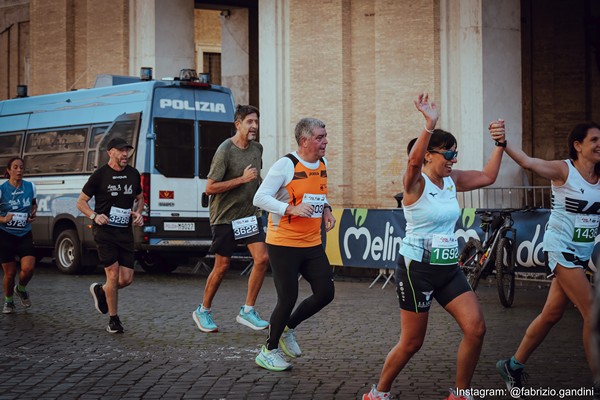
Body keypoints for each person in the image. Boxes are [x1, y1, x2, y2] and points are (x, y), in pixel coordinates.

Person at [363, 93, 506, 400]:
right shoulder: (415, 184)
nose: (453, 159)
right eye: (448, 154)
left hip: (448, 270)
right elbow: (413, 161)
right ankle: (378, 393)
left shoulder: (452, 181)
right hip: (418, 271)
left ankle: (460, 393)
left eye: (456, 154)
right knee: (413, 342)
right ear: (429, 154)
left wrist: (500, 144)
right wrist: (429, 124)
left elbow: (488, 175)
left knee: (476, 328)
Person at [496, 122, 600, 399]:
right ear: (578, 145)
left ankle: (512, 366)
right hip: (559, 249)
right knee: (592, 310)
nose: (599, 144)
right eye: (594, 140)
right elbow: (529, 162)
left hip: (580, 255)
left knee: (551, 314)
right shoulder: (564, 170)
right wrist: (503, 143)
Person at [253, 117, 336, 372]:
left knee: (326, 293)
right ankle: (268, 350)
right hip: (283, 243)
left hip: (311, 243)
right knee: (287, 297)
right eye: (320, 137)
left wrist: (326, 210)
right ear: (304, 141)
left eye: (325, 136)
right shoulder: (285, 165)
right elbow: (260, 198)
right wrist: (291, 208)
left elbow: (319, 193)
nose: (325, 141)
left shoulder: (322, 163)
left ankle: (289, 327)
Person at [192, 104, 270, 333]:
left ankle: (247, 310)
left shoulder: (258, 149)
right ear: (238, 124)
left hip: (248, 215)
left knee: (262, 258)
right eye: (250, 122)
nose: (254, 126)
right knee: (222, 266)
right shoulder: (224, 150)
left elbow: (257, 178)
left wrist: (270, 193)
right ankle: (203, 310)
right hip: (225, 217)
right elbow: (210, 187)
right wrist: (241, 180)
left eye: (256, 121)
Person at [77, 137, 144, 334]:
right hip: (104, 232)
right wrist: (94, 216)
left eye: (127, 151)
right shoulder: (99, 175)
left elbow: (140, 198)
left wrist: (139, 212)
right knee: (113, 275)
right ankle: (114, 320)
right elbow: (81, 202)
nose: (125, 154)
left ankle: (101, 290)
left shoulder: (133, 174)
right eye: (121, 150)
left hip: (124, 233)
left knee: (126, 279)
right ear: (110, 152)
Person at [0, 157, 37, 314]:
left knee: (28, 268)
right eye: (15, 167)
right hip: (5, 234)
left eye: (21, 167)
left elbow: (33, 205)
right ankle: (8, 301)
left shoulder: (30, 186)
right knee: (10, 272)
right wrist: (3, 219)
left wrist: (33, 214)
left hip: (24, 232)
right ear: (9, 170)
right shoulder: (2, 189)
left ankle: (20, 288)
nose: (19, 170)